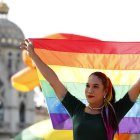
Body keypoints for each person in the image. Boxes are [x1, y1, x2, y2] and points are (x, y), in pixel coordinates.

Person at [20, 39, 140, 140]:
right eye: (87, 86)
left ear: (105, 91)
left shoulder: (114, 112)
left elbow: (137, 86)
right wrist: (34, 57)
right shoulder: (76, 108)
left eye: (95, 86)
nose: (89, 90)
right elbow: (53, 81)